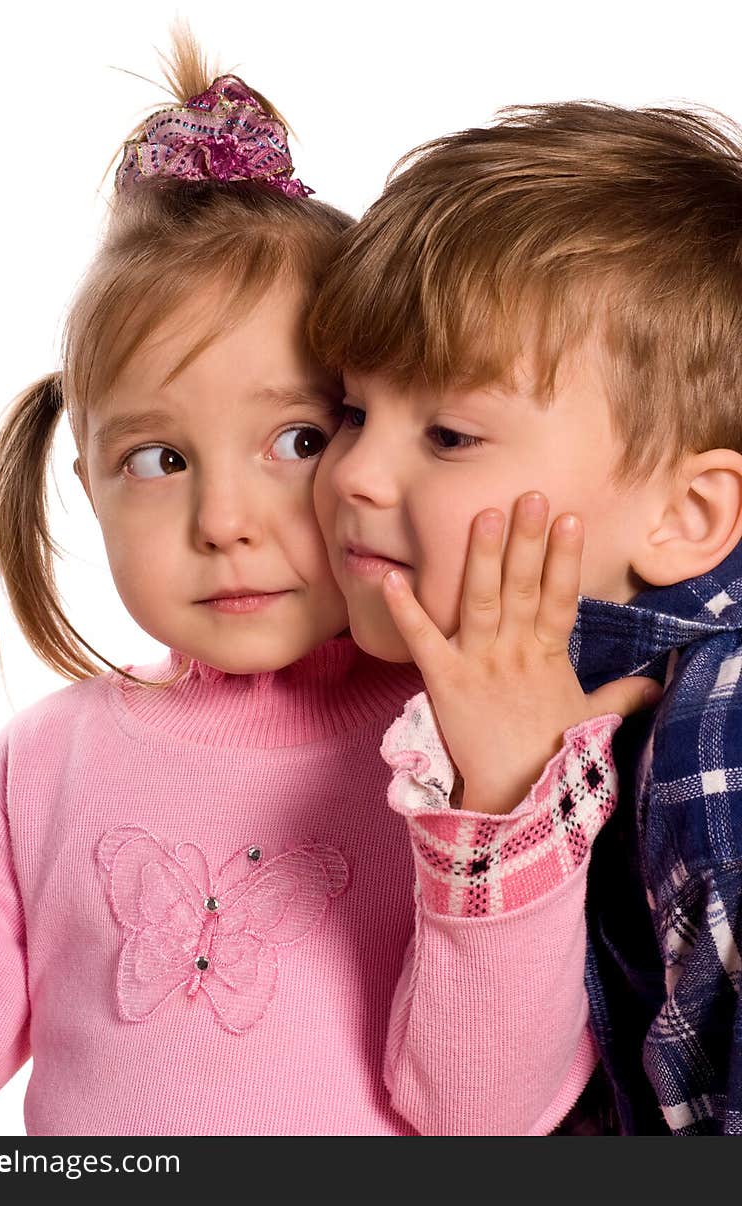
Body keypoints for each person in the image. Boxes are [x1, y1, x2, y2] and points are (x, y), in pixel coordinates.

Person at [0, 34, 654, 1136]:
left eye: (295, 437)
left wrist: (504, 794)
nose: (225, 523)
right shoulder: (35, 772)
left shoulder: (471, 740)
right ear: (87, 483)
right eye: (159, 460)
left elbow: (488, 1117)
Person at [309, 99, 742, 1136]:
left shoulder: (713, 730)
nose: (353, 472)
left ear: (684, 517)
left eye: (451, 434)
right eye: (351, 411)